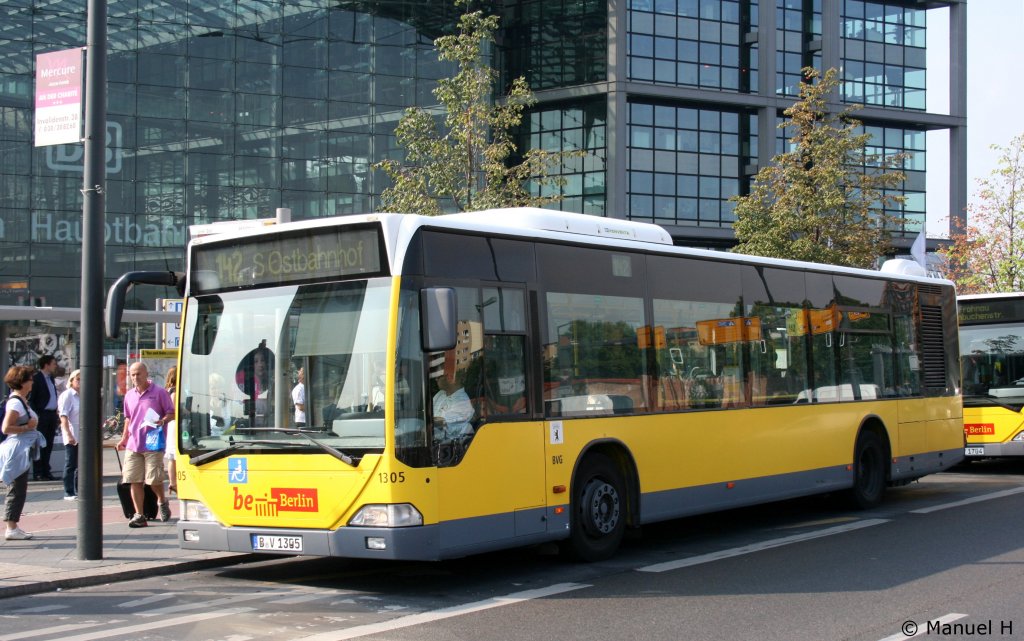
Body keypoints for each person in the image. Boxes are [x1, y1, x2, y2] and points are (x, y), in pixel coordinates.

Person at [117, 362, 175, 528]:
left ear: (146, 373)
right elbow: (128, 418)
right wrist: (124, 438)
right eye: (132, 374)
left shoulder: (159, 393)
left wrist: (162, 421)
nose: (135, 377)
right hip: (134, 443)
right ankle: (139, 514)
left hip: (153, 441)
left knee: (153, 479)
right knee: (133, 479)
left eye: (138, 374)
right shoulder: (129, 395)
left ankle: (162, 501)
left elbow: (171, 413)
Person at [0, 366, 43, 540]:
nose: (33, 382)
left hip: (21, 449)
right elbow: (6, 427)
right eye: (30, 379)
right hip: (16, 450)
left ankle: (13, 525)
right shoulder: (16, 402)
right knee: (16, 489)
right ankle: (11, 527)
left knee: (19, 488)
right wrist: (27, 427)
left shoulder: (21, 400)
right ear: (23, 381)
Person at [28, 355, 59, 481]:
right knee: (40, 444)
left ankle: (47, 471)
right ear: (46, 365)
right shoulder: (36, 379)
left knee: (49, 444)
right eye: (53, 363)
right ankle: (38, 472)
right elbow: (31, 400)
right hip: (42, 414)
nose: (55, 366)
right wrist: (37, 415)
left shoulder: (51, 378)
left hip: (51, 414)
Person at [57, 368, 81, 500]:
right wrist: (68, 434)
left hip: (83, 433)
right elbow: (63, 416)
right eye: (78, 379)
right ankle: (69, 491)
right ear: (71, 381)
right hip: (72, 432)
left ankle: (79, 489)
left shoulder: (83, 395)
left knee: (81, 464)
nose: (81, 382)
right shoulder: (67, 395)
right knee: (71, 462)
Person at [431, 369, 474, 440]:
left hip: (447, 446)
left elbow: (443, 425)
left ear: (450, 378)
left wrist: (428, 422)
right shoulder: (440, 394)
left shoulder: (463, 403)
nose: (436, 379)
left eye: (438, 377)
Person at [163, 366, 177, 495]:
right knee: (173, 456)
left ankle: (173, 482)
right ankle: (173, 483)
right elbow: (174, 410)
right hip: (175, 425)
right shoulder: (174, 392)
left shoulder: (167, 390)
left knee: (173, 457)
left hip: (171, 425)